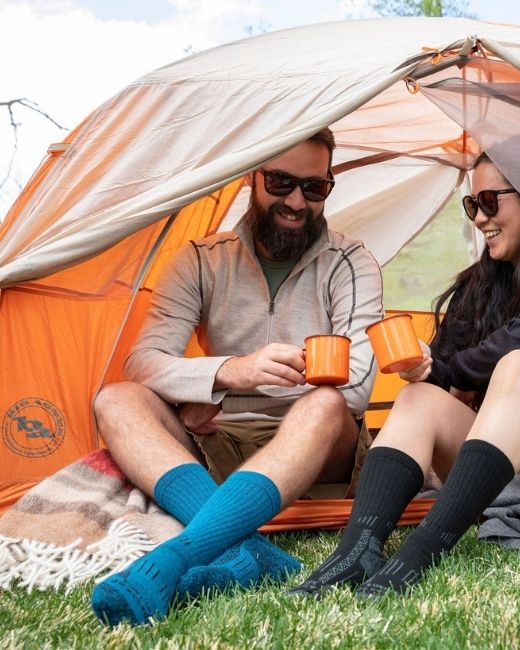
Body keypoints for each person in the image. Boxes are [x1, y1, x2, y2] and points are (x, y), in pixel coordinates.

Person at [291, 136, 520, 598]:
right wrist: (426, 371)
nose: (480, 218)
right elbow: (444, 370)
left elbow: (516, 347)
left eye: (490, 201)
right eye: (472, 204)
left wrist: (446, 373)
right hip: (502, 458)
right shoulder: (481, 281)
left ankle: (421, 551)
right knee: (417, 397)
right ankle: (356, 550)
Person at [90, 128, 384, 625]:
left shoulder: (350, 262)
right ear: (252, 175)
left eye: (315, 188)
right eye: (281, 181)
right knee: (116, 398)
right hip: (219, 435)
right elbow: (142, 361)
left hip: (317, 443)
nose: (296, 201)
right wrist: (230, 372)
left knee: (328, 403)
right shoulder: (200, 260)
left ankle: (177, 558)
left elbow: (356, 386)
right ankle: (247, 549)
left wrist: (224, 389)